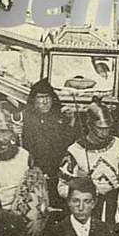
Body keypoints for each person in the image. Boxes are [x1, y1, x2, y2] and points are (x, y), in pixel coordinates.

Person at [58, 103, 119, 224]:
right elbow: (62, 186)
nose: (104, 133)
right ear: (90, 126)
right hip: (88, 207)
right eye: (100, 128)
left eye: (107, 128)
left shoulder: (118, 144)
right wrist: (80, 185)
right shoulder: (75, 151)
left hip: (114, 203)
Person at [22, 78, 74, 208]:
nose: (44, 102)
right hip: (34, 175)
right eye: (40, 97)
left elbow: (71, 146)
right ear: (34, 100)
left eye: (47, 97)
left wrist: (72, 121)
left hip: (58, 176)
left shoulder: (61, 118)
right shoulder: (25, 119)